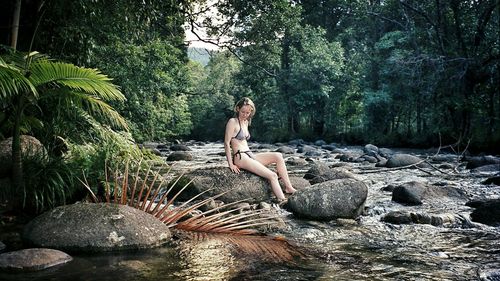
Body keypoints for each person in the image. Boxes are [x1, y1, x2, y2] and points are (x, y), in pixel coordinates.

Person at [224, 97, 296, 203]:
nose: (245, 115)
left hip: (250, 155)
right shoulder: (232, 122)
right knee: (272, 176)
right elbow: (226, 143)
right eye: (243, 112)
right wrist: (231, 164)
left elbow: (244, 142)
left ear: (251, 112)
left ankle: (288, 187)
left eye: (248, 113)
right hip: (240, 157)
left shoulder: (246, 122)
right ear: (238, 109)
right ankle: (282, 202)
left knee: (278, 156)